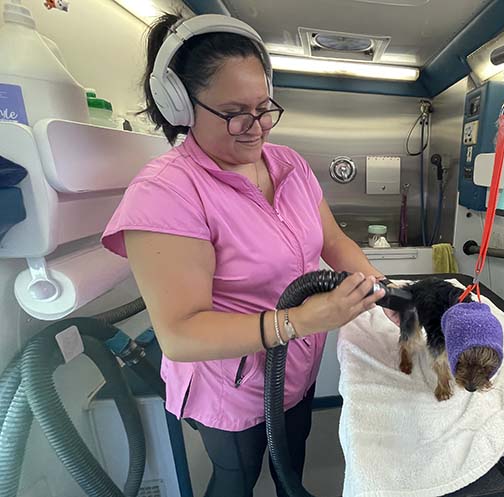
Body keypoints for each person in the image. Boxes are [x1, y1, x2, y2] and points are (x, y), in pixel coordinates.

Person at [101, 13, 395, 497]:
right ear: (181, 104)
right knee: (236, 479)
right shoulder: (166, 192)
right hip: (228, 382)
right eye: (235, 111)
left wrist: (382, 294)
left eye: (264, 107)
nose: (255, 127)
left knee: (289, 468)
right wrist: (299, 321)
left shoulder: (290, 164)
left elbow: (334, 241)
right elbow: (179, 334)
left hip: (294, 366)